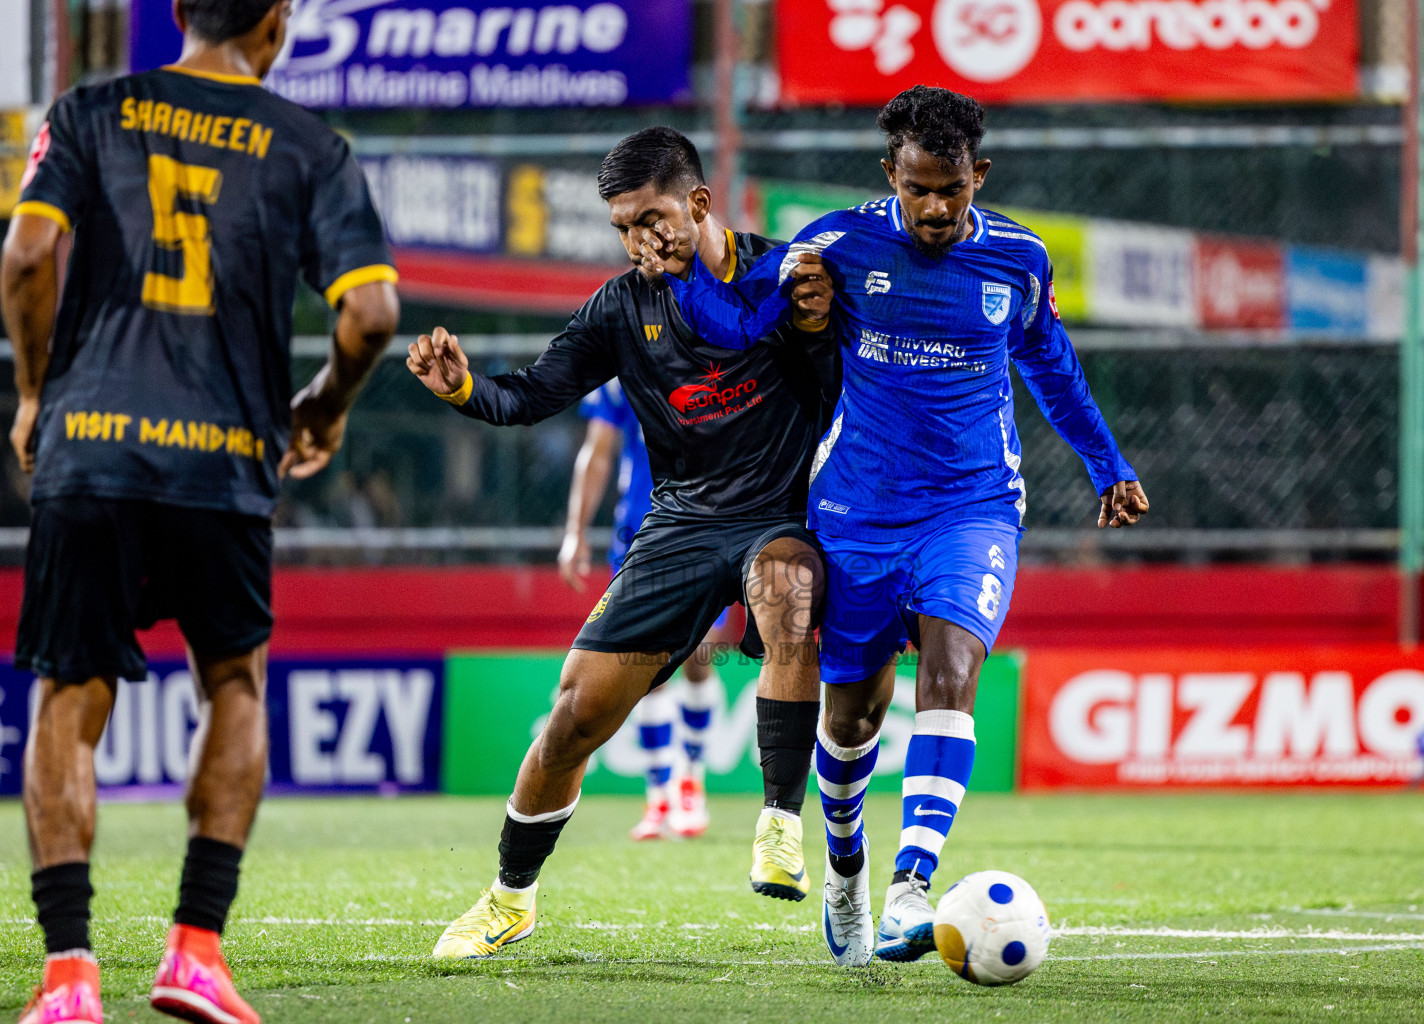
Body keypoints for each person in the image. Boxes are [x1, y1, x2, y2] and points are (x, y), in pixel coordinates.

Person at [647, 85, 1149, 967]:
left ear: (978, 177)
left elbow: (1055, 372)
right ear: (891, 175)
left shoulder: (1019, 261)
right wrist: (685, 271)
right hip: (856, 510)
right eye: (918, 188)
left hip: (973, 504)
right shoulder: (837, 246)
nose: (935, 208)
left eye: (951, 189)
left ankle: (913, 886)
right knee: (852, 716)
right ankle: (847, 865)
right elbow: (736, 320)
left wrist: (1110, 465)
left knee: (953, 671)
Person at [0, 0, 399, 1019]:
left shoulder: (90, 110)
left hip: (89, 450)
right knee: (235, 683)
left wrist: (40, 390)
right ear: (278, 22)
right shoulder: (310, 144)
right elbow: (371, 313)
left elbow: (26, 256)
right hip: (224, 454)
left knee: (70, 695)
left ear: (178, 11)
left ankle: (69, 976)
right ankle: (193, 950)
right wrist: (324, 406)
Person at [407, 126, 839, 960]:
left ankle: (781, 823)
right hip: (677, 526)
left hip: (781, 515)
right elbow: (532, 394)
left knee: (788, 592)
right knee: (573, 716)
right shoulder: (620, 306)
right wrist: (463, 388)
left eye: (650, 218)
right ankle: (509, 897)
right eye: (621, 227)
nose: (636, 240)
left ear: (700, 204)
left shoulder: (788, 277)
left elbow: (834, 380)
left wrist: (815, 333)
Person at [560, 380, 728, 840]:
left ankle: (691, 780)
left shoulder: (720, 351)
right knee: (642, 664)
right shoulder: (623, 369)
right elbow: (598, 450)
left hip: (707, 526)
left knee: (699, 655)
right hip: (640, 530)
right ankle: (659, 796)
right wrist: (576, 531)